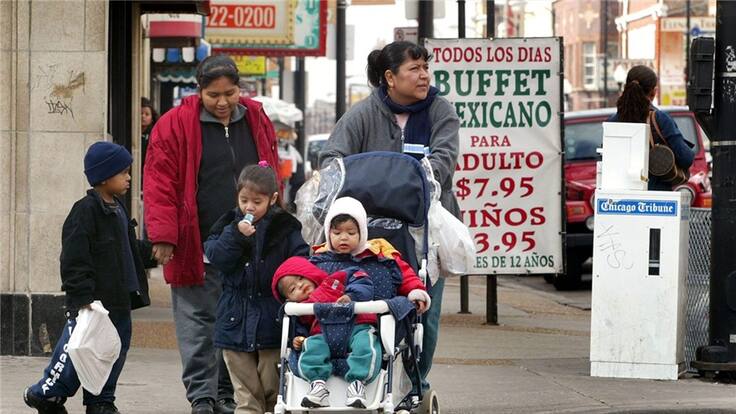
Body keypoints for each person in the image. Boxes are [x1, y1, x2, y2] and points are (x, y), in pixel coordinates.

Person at [319, 41, 459, 391]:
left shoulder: (441, 110)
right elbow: (332, 160)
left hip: (425, 230)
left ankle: (415, 384)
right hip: (368, 233)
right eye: (414, 69)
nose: (424, 75)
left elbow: (443, 160)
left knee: (425, 312)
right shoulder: (363, 114)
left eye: (425, 68)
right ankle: (367, 378)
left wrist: (405, 182)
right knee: (368, 306)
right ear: (390, 77)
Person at [143, 55, 279, 414]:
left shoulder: (256, 118)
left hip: (248, 243)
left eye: (229, 94)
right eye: (213, 95)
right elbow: (159, 182)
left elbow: (270, 174)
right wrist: (163, 235)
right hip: (196, 241)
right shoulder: (173, 124)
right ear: (198, 90)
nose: (222, 102)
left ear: (239, 89)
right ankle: (202, 396)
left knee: (234, 321)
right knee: (196, 321)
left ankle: (226, 393)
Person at [23, 142, 153, 414]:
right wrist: (82, 297)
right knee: (76, 352)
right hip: (93, 304)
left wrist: (153, 253)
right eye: (123, 172)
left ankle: (101, 401)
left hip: (120, 301)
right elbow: (73, 258)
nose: (129, 177)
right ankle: (45, 394)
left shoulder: (118, 209)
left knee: (112, 353)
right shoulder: (85, 211)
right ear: (104, 176)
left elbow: (129, 249)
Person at [204, 163, 309, 414]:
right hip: (235, 319)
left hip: (272, 321)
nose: (249, 207)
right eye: (244, 200)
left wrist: (293, 286)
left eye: (257, 202)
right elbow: (216, 256)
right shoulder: (228, 224)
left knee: (274, 390)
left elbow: (301, 260)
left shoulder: (286, 227)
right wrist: (236, 235)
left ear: (272, 199)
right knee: (246, 394)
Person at [271, 258, 379, 409]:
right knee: (311, 345)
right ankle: (317, 384)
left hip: (356, 326)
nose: (300, 285)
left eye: (300, 278)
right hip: (322, 334)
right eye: (293, 289)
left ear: (309, 273)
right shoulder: (300, 309)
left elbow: (361, 278)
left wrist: (352, 296)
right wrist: (298, 339)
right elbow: (299, 328)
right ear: (289, 299)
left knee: (365, 343)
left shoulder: (334, 281)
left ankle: (358, 383)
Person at [608, 65, 694, 191]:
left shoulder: (612, 122)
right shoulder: (660, 119)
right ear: (654, 92)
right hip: (656, 195)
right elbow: (686, 158)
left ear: (626, 88)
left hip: (620, 194)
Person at [139, 97, 159, 184]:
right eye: (141, 113)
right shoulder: (128, 132)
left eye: (147, 114)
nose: (143, 116)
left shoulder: (155, 134)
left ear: (152, 118)